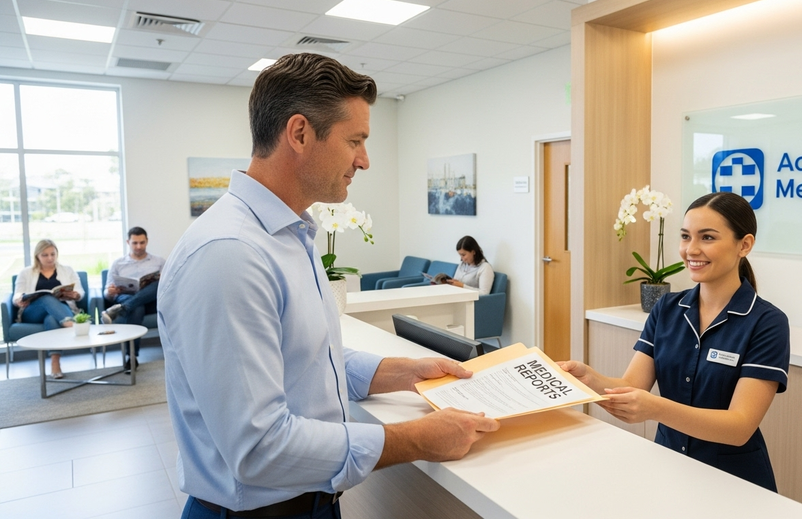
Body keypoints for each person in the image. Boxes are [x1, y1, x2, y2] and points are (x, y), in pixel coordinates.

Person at [158, 53, 499, 519]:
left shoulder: (289, 235)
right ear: (299, 133)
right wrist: (417, 439)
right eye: (354, 141)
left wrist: (400, 371)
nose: (365, 160)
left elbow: (304, 357)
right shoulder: (230, 253)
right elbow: (259, 449)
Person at [559, 192, 790, 492]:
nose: (691, 249)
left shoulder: (766, 322)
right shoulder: (667, 308)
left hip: (734, 484)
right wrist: (590, 379)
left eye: (707, 237)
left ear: (744, 245)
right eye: (685, 236)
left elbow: (739, 426)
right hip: (668, 468)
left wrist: (656, 408)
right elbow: (634, 386)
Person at [13, 239, 84, 379]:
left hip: (60, 310)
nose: (50, 258)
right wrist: (19, 299)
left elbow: (80, 292)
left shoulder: (67, 270)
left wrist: (75, 295)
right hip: (33, 312)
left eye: (53, 254)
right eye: (45, 255)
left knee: (51, 318)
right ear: (37, 256)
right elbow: (16, 294)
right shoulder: (26, 272)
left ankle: (55, 363)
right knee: (46, 297)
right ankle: (69, 323)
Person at [101, 226, 165, 372]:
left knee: (157, 284)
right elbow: (106, 292)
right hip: (125, 296)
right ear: (128, 242)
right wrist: (110, 292)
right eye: (135, 243)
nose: (139, 246)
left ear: (147, 241)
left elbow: (169, 286)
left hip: (151, 301)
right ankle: (132, 356)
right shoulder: (118, 264)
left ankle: (120, 310)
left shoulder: (159, 262)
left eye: (142, 243)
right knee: (137, 307)